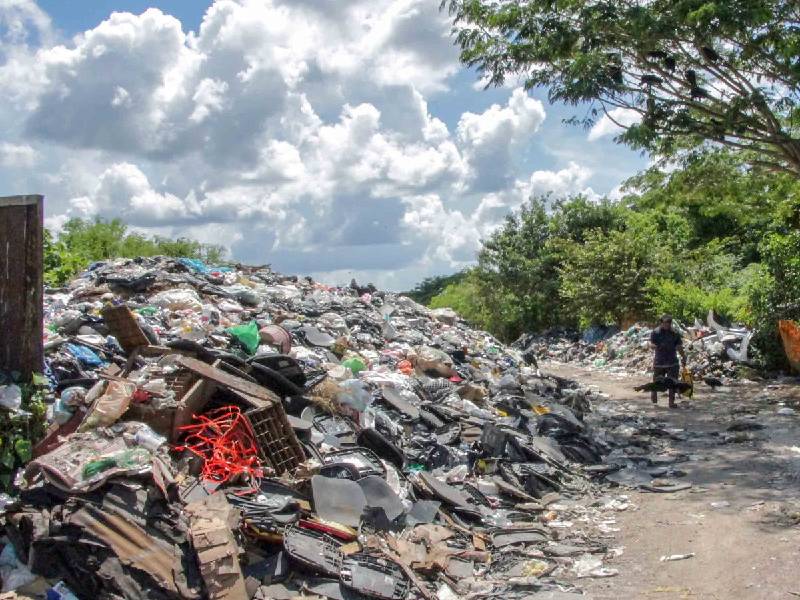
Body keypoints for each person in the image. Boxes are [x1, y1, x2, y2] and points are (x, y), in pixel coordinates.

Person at [649, 314, 686, 408]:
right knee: (657, 381)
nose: (667, 325)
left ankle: (671, 402)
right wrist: (656, 346)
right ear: (661, 323)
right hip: (659, 362)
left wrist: (683, 356)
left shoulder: (674, 333)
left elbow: (679, 346)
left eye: (669, 323)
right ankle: (654, 393)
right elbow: (651, 344)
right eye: (665, 323)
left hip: (672, 362)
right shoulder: (655, 332)